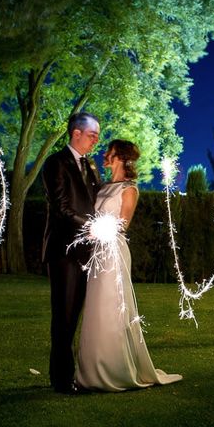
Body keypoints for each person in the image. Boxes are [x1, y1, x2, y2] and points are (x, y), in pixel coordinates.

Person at [76, 140, 182, 392]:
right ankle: (92, 369)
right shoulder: (103, 187)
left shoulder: (129, 189)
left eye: (109, 152)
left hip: (114, 251)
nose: (105, 155)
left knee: (112, 305)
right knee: (95, 307)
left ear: (120, 157)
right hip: (97, 252)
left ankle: (117, 368)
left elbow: (122, 225)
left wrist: (97, 231)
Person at [42, 112, 101, 394]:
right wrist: (91, 226)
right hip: (65, 251)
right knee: (63, 315)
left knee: (78, 315)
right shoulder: (56, 163)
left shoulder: (89, 166)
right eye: (92, 135)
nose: (96, 140)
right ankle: (61, 378)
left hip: (88, 251)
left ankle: (75, 373)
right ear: (76, 133)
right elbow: (62, 207)